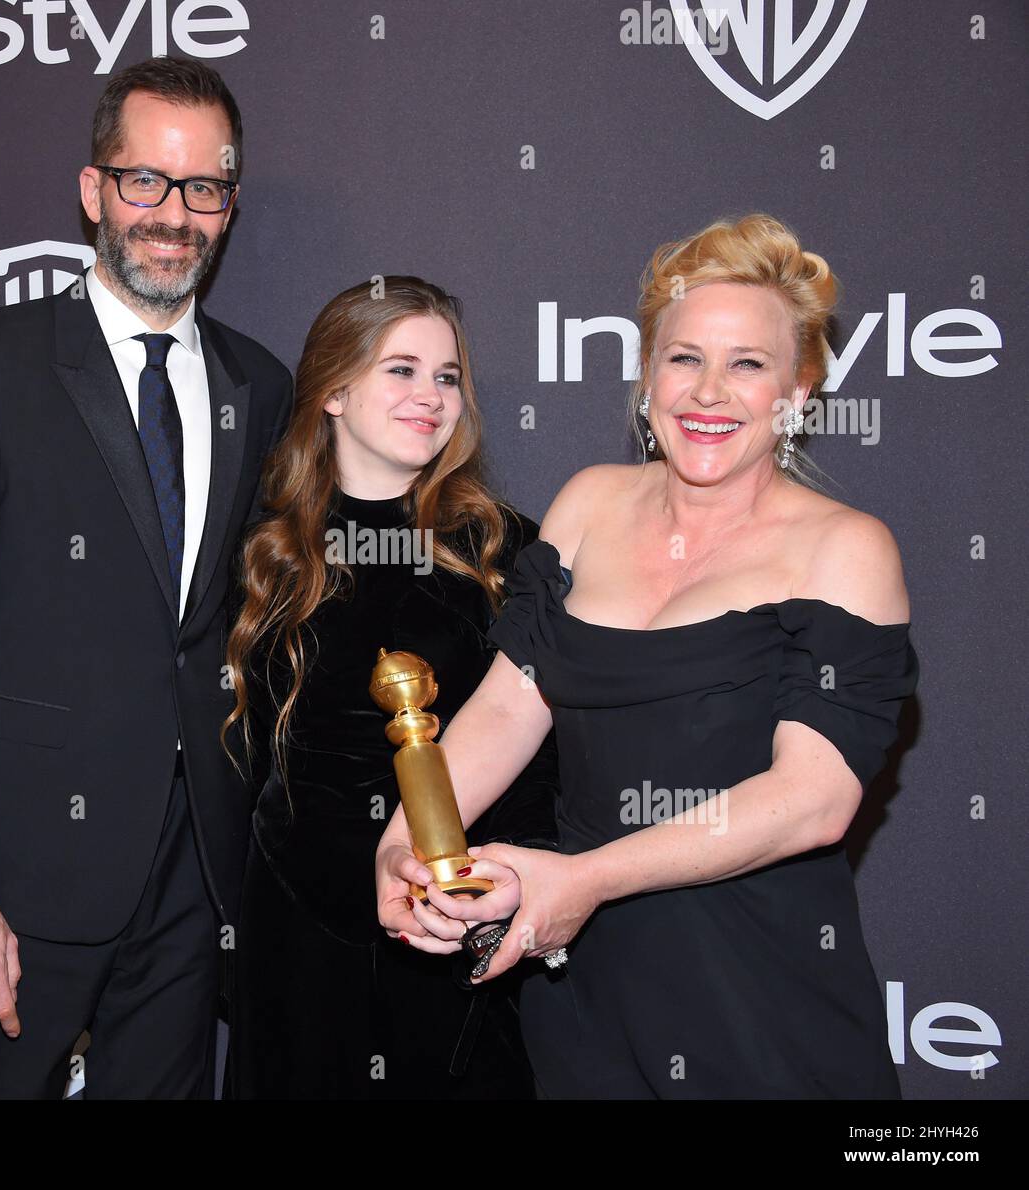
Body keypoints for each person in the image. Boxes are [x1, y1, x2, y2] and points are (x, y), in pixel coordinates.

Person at [376, 214, 919, 1098]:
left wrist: (587, 879)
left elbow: (812, 802)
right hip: (585, 990)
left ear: (801, 388)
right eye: (682, 357)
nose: (708, 392)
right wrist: (400, 847)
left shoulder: (846, 550)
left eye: (748, 363)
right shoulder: (588, 503)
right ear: (645, 372)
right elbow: (513, 706)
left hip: (758, 988)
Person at [0, 58, 292, 1098]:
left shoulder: (259, 382)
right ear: (92, 189)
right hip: (16, 892)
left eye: (204, 187)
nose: (174, 214)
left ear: (231, 205)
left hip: (194, 881)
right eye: (145, 181)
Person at [222, 277, 560, 1099]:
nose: (431, 397)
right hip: (296, 938)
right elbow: (245, 763)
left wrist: (483, 901)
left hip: (443, 928)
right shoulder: (263, 550)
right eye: (400, 369)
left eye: (447, 377)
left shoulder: (503, 546)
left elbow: (538, 756)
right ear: (334, 389)